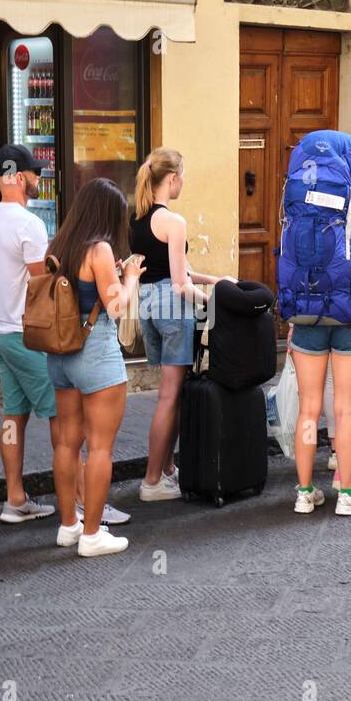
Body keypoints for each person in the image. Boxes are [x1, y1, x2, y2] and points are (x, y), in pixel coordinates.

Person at [0, 145, 130, 527]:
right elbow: (49, 284)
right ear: (16, 177)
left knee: (13, 416)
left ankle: (15, 497)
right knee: (64, 431)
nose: (38, 179)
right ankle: (83, 503)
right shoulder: (28, 224)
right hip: (36, 335)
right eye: (33, 173)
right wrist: (117, 277)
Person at [45, 179, 143, 557]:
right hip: (95, 352)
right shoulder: (99, 249)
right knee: (101, 446)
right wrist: (129, 278)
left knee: (68, 442)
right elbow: (116, 307)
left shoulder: (59, 245)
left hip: (60, 354)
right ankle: (92, 535)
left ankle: (68, 526)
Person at [129, 148, 226, 501]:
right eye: (183, 176)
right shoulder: (174, 221)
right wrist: (214, 300)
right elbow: (180, 284)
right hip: (172, 307)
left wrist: (215, 279)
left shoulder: (137, 218)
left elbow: (174, 271)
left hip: (148, 306)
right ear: (172, 179)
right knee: (170, 398)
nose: (183, 182)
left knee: (167, 394)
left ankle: (168, 469)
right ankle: (152, 481)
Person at [289, 186, 351, 516]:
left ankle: (304, 493)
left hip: (306, 318)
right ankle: (347, 494)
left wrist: (292, 325)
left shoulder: (299, 218)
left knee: (308, 408)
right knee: (345, 410)